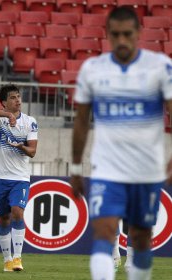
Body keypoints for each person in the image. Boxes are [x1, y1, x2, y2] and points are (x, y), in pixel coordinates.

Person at [70, 6, 172, 280]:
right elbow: (81, 121)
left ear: (139, 33)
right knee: (104, 229)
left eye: (128, 34)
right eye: (116, 35)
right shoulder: (92, 69)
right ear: (107, 35)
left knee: (140, 237)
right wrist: (76, 166)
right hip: (107, 168)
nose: (122, 41)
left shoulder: (159, 67)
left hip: (146, 170)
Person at [0, 85, 38, 272]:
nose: (18, 101)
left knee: (17, 212)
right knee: (3, 218)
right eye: (13, 97)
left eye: (19, 97)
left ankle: (17, 258)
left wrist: (21, 147)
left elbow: (32, 151)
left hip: (20, 178)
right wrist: (8, 116)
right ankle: (7, 260)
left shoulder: (30, 122)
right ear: (4, 102)